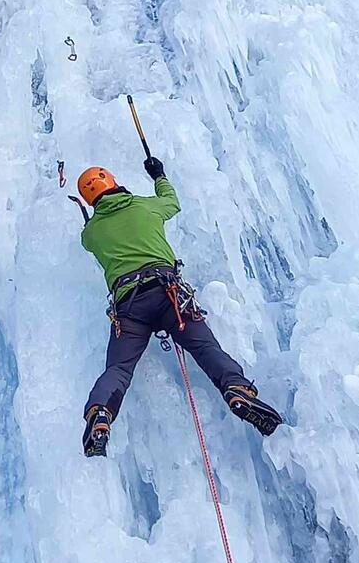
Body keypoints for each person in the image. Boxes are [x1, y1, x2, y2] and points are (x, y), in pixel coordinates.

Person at [78, 160, 282, 458]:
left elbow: (89, 239)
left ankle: (100, 414)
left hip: (129, 308)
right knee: (204, 348)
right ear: (112, 181)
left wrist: (93, 220)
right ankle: (237, 389)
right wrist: (158, 175)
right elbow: (172, 202)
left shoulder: (92, 233)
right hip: (168, 295)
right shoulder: (145, 207)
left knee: (119, 369)